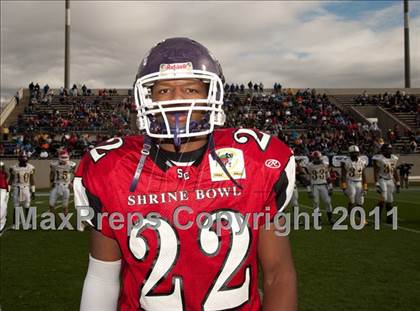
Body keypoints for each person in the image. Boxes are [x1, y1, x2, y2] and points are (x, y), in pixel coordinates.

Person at [75, 37, 297, 311]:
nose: (177, 100)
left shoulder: (257, 160)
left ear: (210, 96)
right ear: (147, 97)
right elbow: (102, 278)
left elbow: (278, 274)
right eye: (164, 90)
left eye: (191, 90)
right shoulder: (111, 169)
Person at [304, 151, 334, 225]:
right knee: (316, 203)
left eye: (318, 158)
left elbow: (328, 177)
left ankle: (330, 218)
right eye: (316, 158)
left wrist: (330, 188)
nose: (317, 159)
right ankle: (318, 220)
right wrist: (309, 190)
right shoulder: (309, 166)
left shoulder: (325, 164)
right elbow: (307, 179)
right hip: (314, 186)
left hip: (324, 185)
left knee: (327, 202)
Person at [372, 144, 400, 223]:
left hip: (390, 180)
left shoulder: (394, 158)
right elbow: (376, 171)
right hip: (382, 179)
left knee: (390, 200)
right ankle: (377, 216)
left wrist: (397, 182)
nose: (390, 151)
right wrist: (376, 183)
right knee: (383, 198)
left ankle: (389, 217)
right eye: (388, 149)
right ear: (383, 150)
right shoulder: (379, 159)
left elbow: (394, 171)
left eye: (390, 149)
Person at [9, 152, 35, 224]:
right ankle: (15, 223)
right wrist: (8, 190)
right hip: (16, 188)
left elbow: (32, 180)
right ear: (19, 159)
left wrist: (33, 191)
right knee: (16, 205)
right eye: (22, 158)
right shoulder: (14, 168)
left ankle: (29, 223)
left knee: (27, 205)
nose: (24, 159)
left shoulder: (30, 167)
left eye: (25, 158)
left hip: (26, 187)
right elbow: (10, 180)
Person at [341, 145, 368, 214]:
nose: (355, 154)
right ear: (350, 153)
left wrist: (365, 187)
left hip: (359, 182)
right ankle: (350, 216)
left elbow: (364, 175)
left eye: (356, 152)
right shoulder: (346, 161)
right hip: (350, 181)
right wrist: (344, 187)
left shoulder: (362, 161)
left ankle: (361, 218)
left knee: (360, 201)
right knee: (352, 200)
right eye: (353, 153)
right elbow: (343, 175)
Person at [49, 150, 76, 215]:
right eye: (63, 157)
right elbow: (52, 173)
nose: (64, 159)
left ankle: (65, 223)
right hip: (57, 185)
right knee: (51, 204)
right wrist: (51, 181)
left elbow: (76, 174)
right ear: (59, 157)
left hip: (66, 186)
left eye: (65, 157)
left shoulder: (71, 165)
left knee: (65, 206)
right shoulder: (54, 164)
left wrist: (72, 182)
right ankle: (54, 221)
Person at [0, 162, 9, 234]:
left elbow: (6, 175)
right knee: (2, 207)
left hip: (3, 190)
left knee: (3, 206)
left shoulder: (3, 173)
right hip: (3, 190)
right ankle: (3, 222)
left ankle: (3, 223)